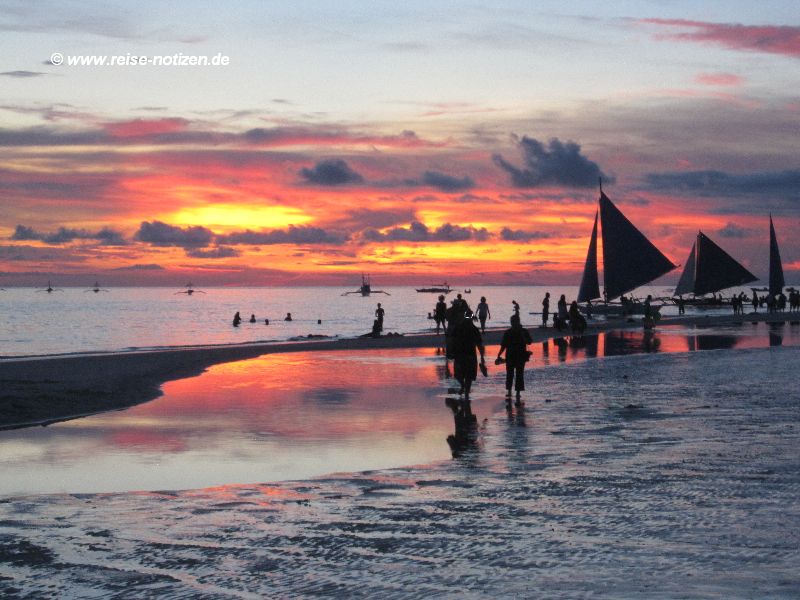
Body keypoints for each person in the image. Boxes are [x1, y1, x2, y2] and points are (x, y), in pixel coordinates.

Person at [496, 314, 532, 405]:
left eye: (513, 321)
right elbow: (503, 345)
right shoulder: (509, 332)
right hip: (512, 356)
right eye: (512, 322)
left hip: (519, 356)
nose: (512, 323)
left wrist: (523, 336)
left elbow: (529, 342)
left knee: (517, 374)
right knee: (511, 374)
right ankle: (510, 391)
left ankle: (516, 393)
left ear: (518, 321)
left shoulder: (522, 331)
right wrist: (499, 354)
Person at [450, 310, 485, 402]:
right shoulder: (472, 329)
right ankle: (464, 388)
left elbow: (452, 341)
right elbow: (479, 344)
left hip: (463, 355)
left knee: (461, 375)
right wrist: (482, 357)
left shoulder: (463, 328)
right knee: (465, 376)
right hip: (467, 355)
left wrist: (482, 356)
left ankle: (465, 392)